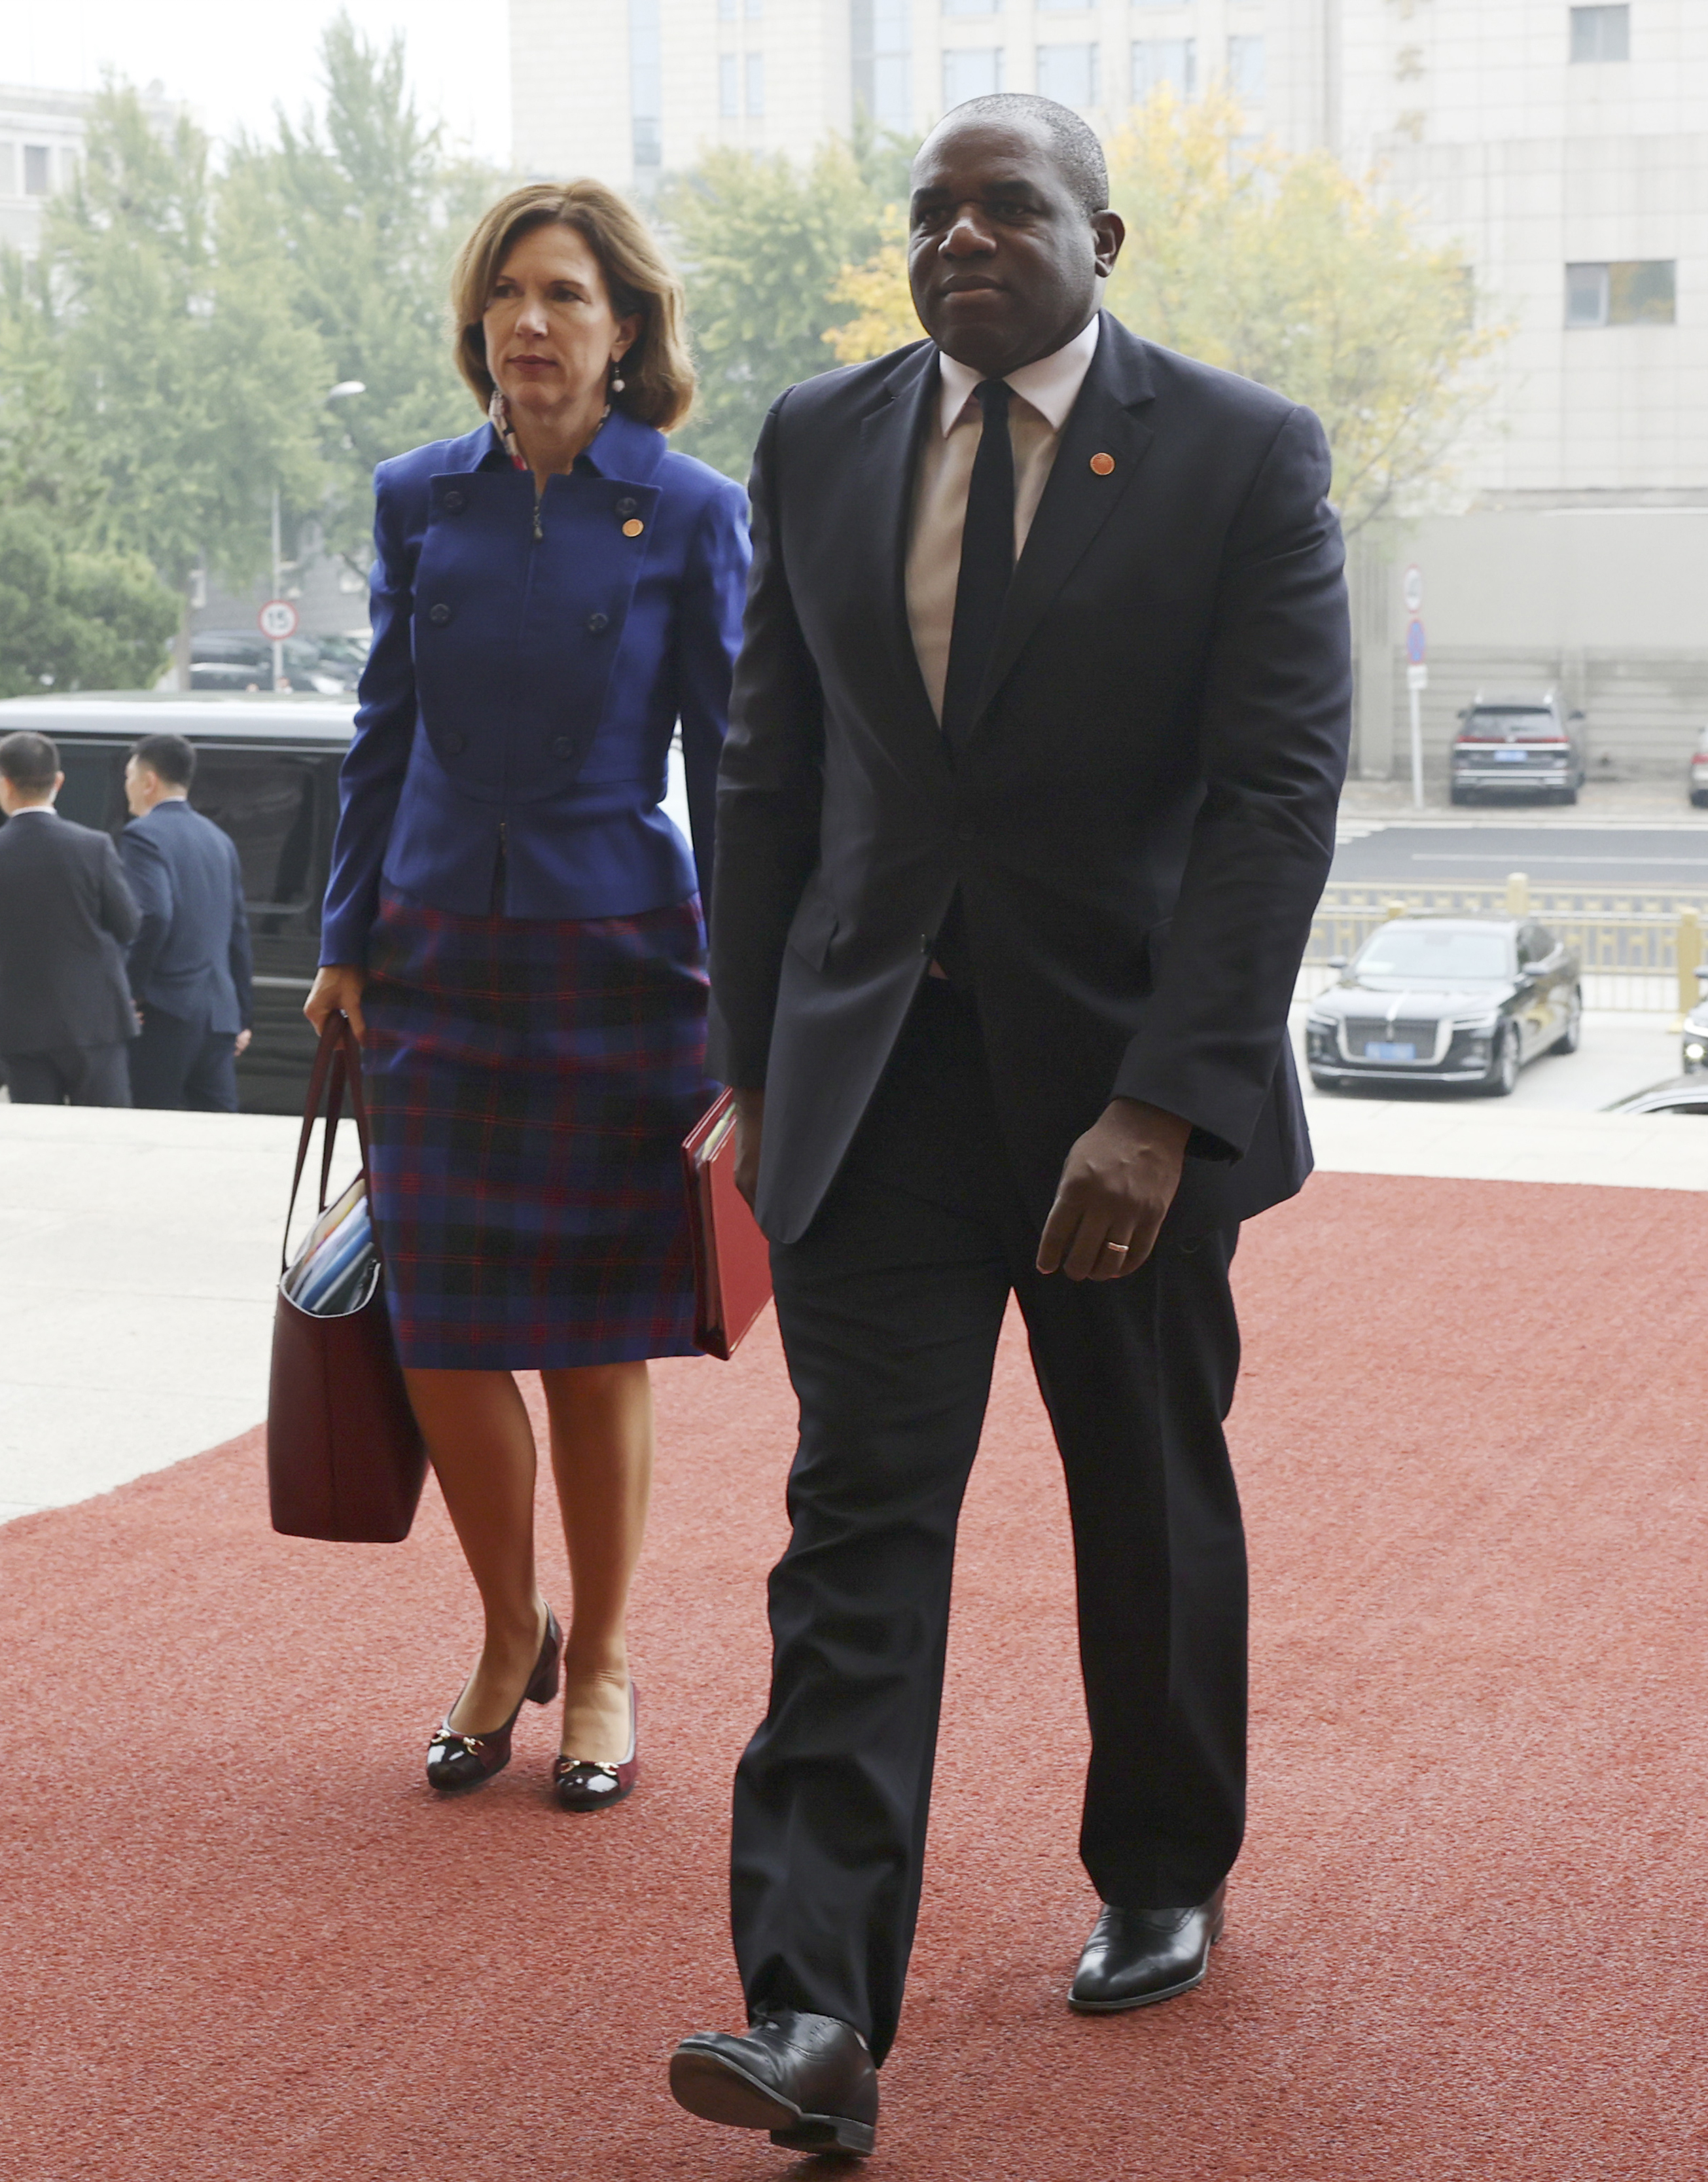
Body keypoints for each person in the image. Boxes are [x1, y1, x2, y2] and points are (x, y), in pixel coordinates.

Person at [666, 96, 1350, 2157]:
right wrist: (755, 1057)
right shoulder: (816, 438)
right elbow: (766, 775)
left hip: (1123, 1098)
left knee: (1137, 1493)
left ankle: (1156, 1857)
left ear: (1100, 236)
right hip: (876, 1080)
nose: (961, 237)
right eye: (931, 211)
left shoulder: (1238, 453)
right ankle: (805, 2007)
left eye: (1007, 206)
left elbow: (1270, 799)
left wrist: (1163, 1102)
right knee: (855, 1520)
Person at [302, 181, 742, 1812]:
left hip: (619, 958)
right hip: (429, 955)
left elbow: (734, 762)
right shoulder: (419, 496)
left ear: (623, 329)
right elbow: (380, 731)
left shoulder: (691, 511)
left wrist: (746, 997)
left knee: (591, 1335)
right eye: (505, 293)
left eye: (563, 293)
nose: (530, 323)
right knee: (441, 1325)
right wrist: (343, 944)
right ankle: (509, 1634)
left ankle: (606, 1663)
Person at [0, 730, 141, 1106]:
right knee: (105, 1134)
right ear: (58, 782)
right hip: (94, 1018)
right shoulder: (94, 848)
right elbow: (128, 925)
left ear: (3, 784)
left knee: (38, 1135)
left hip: (18, 1022)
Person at [116, 733, 255, 1113]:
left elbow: (154, 915)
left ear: (149, 782)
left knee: (153, 1132)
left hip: (166, 1014)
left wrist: (129, 992)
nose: (127, 787)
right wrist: (241, 1015)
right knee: (216, 1136)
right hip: (219, 1017)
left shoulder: (143, 836)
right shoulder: (219, 840)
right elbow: (237, 932)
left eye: (129, 777)